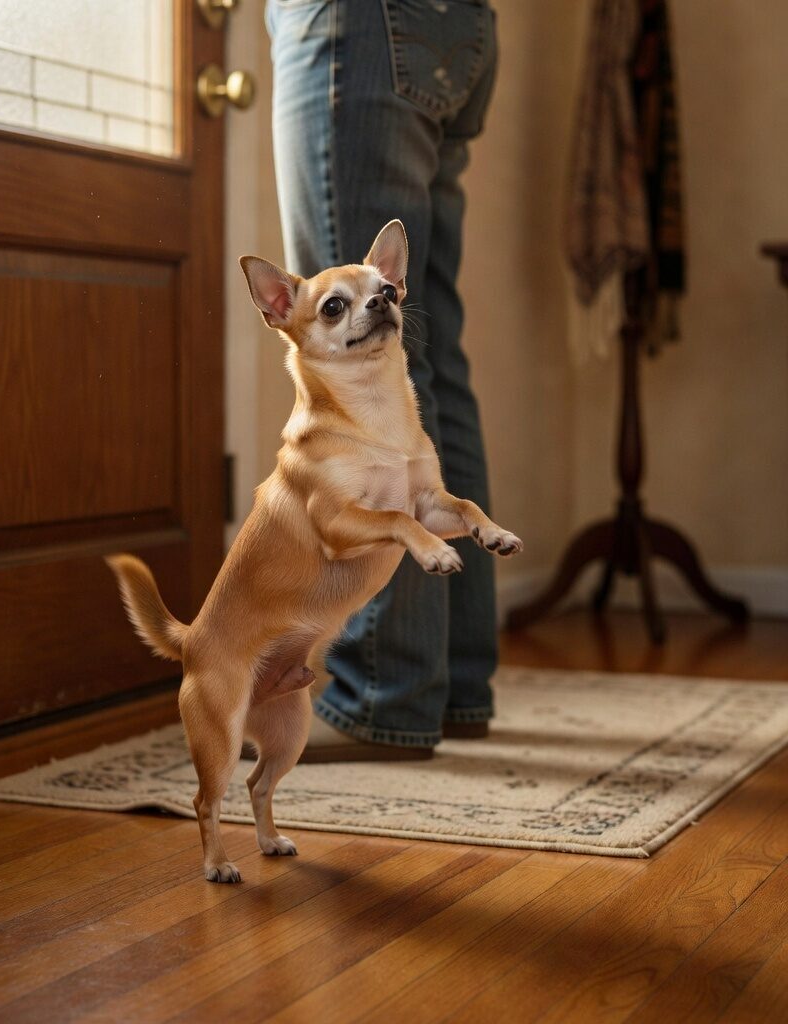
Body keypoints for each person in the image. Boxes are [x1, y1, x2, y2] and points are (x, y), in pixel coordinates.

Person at [266, 0, 499, 761]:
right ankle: (452, 684)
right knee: (424, 353)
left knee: (363, 347)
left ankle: (385, 693)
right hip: (452, 27)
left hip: (357, 27)